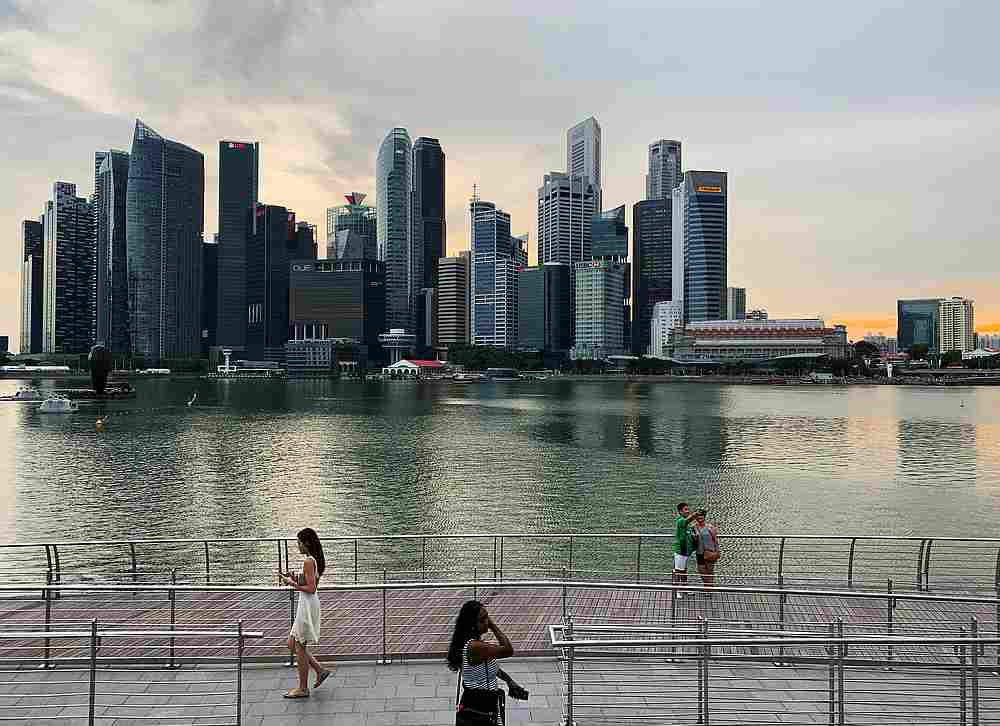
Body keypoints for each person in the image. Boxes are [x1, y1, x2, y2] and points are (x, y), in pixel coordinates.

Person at [447, 600, 528, 724]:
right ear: (472, 624)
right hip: (481, 707)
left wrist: (509, 681)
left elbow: (490, 666)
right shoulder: (474, 647)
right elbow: (508, 650)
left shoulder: (469, 643)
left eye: (487, 617)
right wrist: (493, 626)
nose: (487, 622)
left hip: (481, 703)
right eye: (483, 619)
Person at [280, 527, 331, 699]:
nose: (298, 546)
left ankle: (302, 688)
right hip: (308, 603)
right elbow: (310, 581)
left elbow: (311, 588)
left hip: (307, 605)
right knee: (291, 643)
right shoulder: (314, 560)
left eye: (299, 543)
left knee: (299, 645)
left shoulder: (309, 561)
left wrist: (290, 583)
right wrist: (295, 578)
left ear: (306, 543)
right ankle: (319, 669)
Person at [672, 502, 699, 598]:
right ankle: (678, 590)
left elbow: (690, 534)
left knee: (684, 570)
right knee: (678, 571)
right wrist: (695, 515)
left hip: (686, 551)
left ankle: (684, 587)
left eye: (688, 509)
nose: (688, 511)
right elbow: (687, 521)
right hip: (680, 551)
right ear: (680, 511)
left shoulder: (688, 524)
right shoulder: (680, 521)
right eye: (686, 509)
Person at [693, 510, 720, 590]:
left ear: (704, 517)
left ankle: (708, 588)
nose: (700, 517)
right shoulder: (694, 527)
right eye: (698, 516)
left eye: (701, 515)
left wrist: (717, 551)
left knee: (709, 571)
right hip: (699, 552)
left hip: (710, 551)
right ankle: (707, 586)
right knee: (701, 571)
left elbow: (715, 540)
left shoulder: (710, 527)